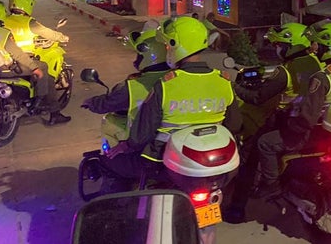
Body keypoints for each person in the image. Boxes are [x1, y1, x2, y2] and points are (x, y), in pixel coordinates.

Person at [99, 16, 241, 189]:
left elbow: (143, 133)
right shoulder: (223, 81)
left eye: (167, 45)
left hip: (161, 161)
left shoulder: (166, 84)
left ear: (175, 45)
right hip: (211, 165)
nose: (166, 50)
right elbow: (235, 124)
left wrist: (125, 146)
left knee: (108, 160)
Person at [254, 21, 331, 199]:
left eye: (321, 46)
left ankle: (272, 186)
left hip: (316, 134)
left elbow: (307, 118)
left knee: (265, 142)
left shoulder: (323, 77)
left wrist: (290, 124)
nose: (316, 49)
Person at [223, 22, 323, 223]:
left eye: (280, 45)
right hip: (309, 122)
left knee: (249, 158)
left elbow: (258, 97)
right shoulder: (315, 63)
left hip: (286, 122)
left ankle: (238, 208)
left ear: (290, 46)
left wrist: (233, 86)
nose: (278, 49)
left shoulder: (284, 72)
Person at [0, 0, 70, 125]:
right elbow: (17, 53)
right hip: (7, 67)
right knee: (43, 69)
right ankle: (45, 104)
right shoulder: (5, 32)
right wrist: (34, 68)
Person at [82, 21, 169, 127]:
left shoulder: (133, 86)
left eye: (138, 56)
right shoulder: (177, 76)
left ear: (147, 55)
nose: (136, 59)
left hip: (142, 133)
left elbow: (109, 103)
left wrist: (90, 102)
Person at [4, 0, 69, 52]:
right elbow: (47, 33)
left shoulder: (4, 19)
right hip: (26, 54)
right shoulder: (29, 23)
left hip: (8, 54)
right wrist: (63, 38)